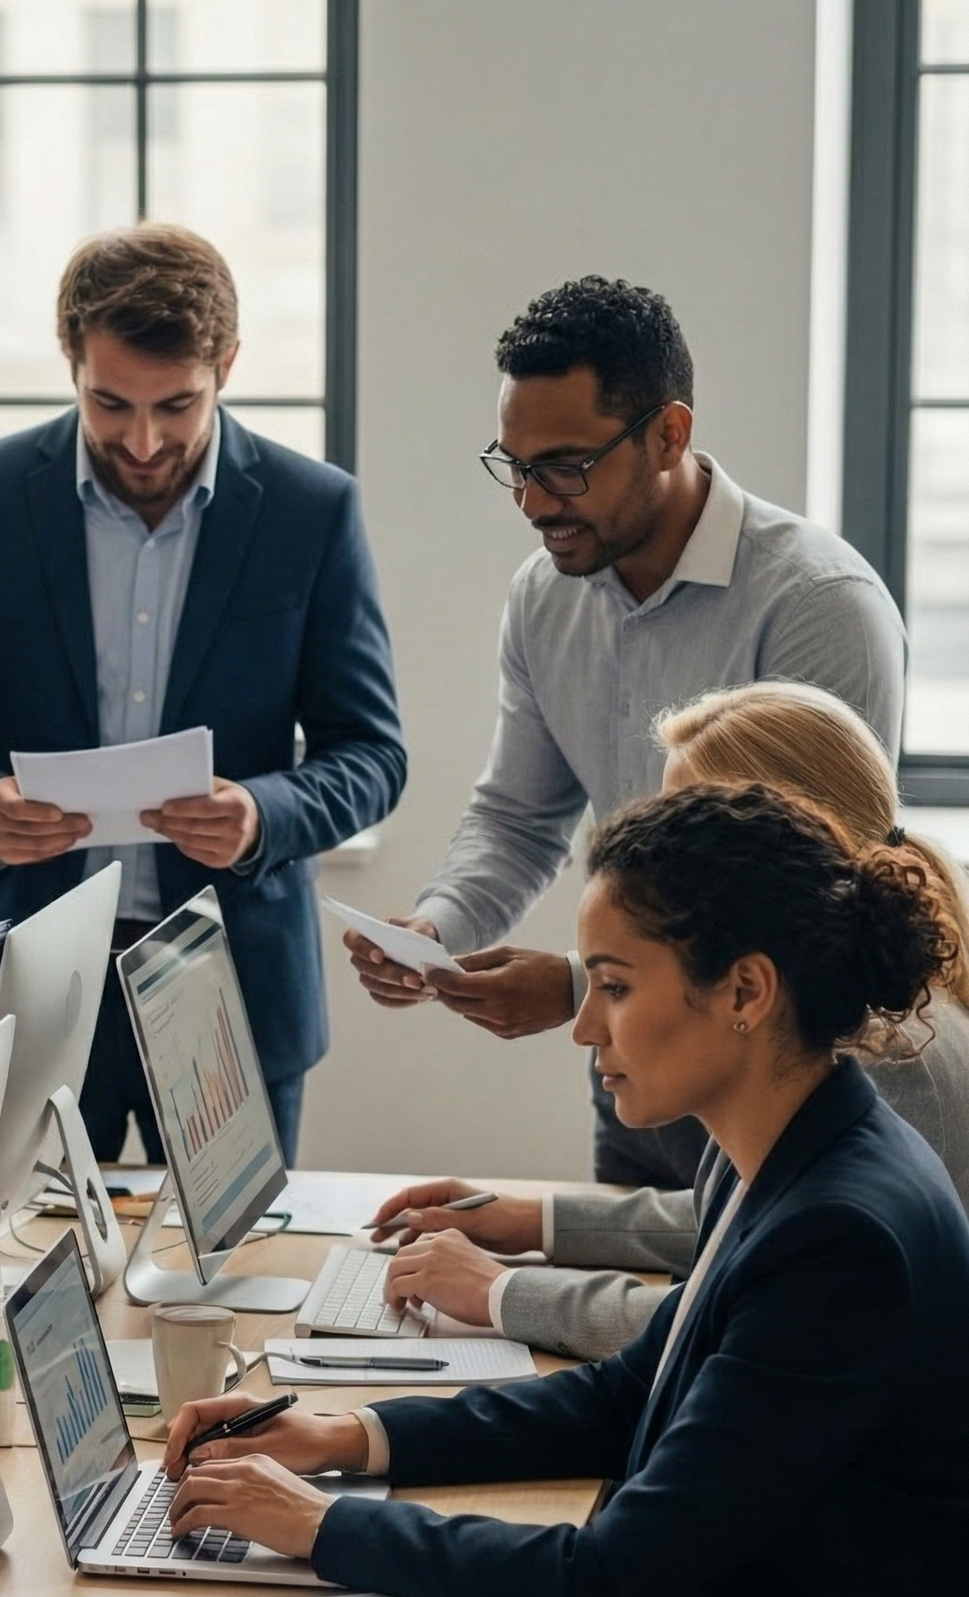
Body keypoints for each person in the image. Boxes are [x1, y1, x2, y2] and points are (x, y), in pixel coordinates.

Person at [168, 782, 969, 1597]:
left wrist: (325, 1527)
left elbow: (609, 1586)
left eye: (614, 986)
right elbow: (622, 1399)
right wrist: (346, 1437)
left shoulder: (842, 1237)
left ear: (745, 992)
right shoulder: (782, 1153)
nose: (585, 1027)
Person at [344, 276, 907, 1190]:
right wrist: (437, 929)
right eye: (516, 467)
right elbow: (522, 818)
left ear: (669, 434)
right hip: (634, 1076)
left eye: (565, 467)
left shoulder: (817, 605)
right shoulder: (543, 594)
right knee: (623, 1325)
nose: (533, 503)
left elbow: (814, 902)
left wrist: (577, 984)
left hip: (780, 1084)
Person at [0, 225, 405, 1164]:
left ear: (228, 365)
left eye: (178, 405)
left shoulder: (310, 509)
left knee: (221, 1289)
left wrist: (258, 814)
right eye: (108, 402)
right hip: (31, 971)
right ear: (71, 364)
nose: (143, 439)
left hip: (228, 981)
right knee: (14, 1277)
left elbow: (372, 753)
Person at [374, 681, 969, 1360]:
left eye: (689, 820)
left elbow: (742, 1317)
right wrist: (532, 1219)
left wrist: (501, 1292)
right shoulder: (841, 1006)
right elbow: (736, 1217)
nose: (655, 851)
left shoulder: (882, 1055)